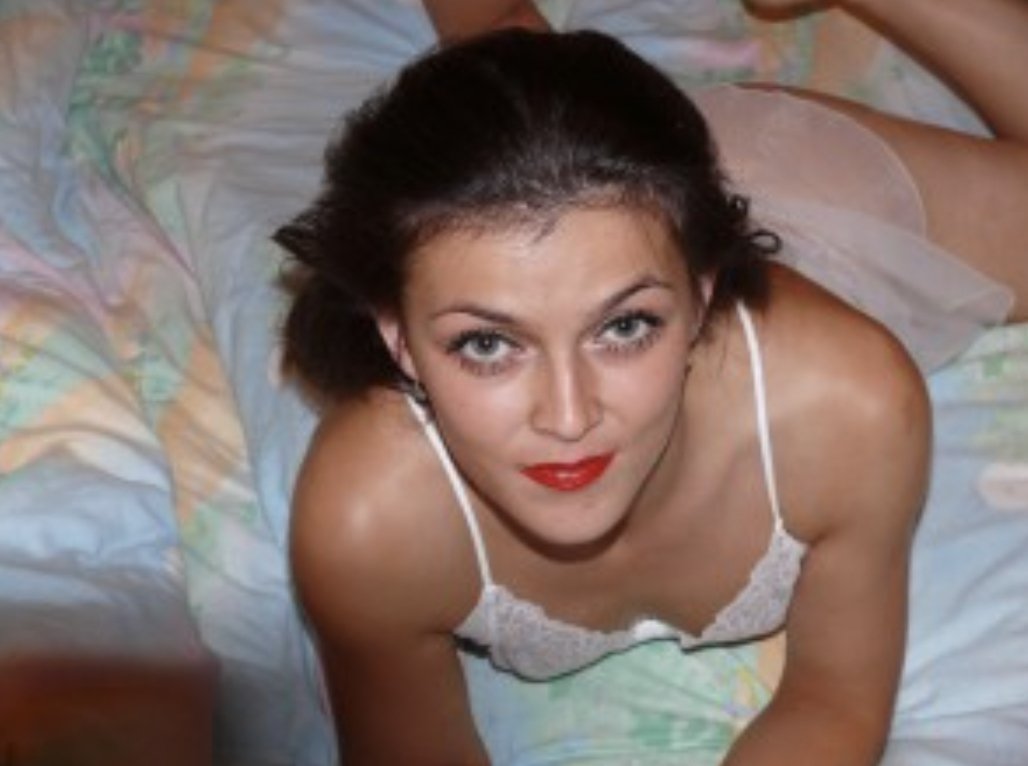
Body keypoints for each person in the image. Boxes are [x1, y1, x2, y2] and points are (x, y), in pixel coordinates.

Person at [278, 0, 1028, 763]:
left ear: (702, 295)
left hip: (799, 192)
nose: (568, 416)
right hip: (605, 212)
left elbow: (833, 699)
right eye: (488, 344)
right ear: (396, 335)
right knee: (515, 90)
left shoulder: (849, 407)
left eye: (625, 328)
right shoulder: (368, 527)